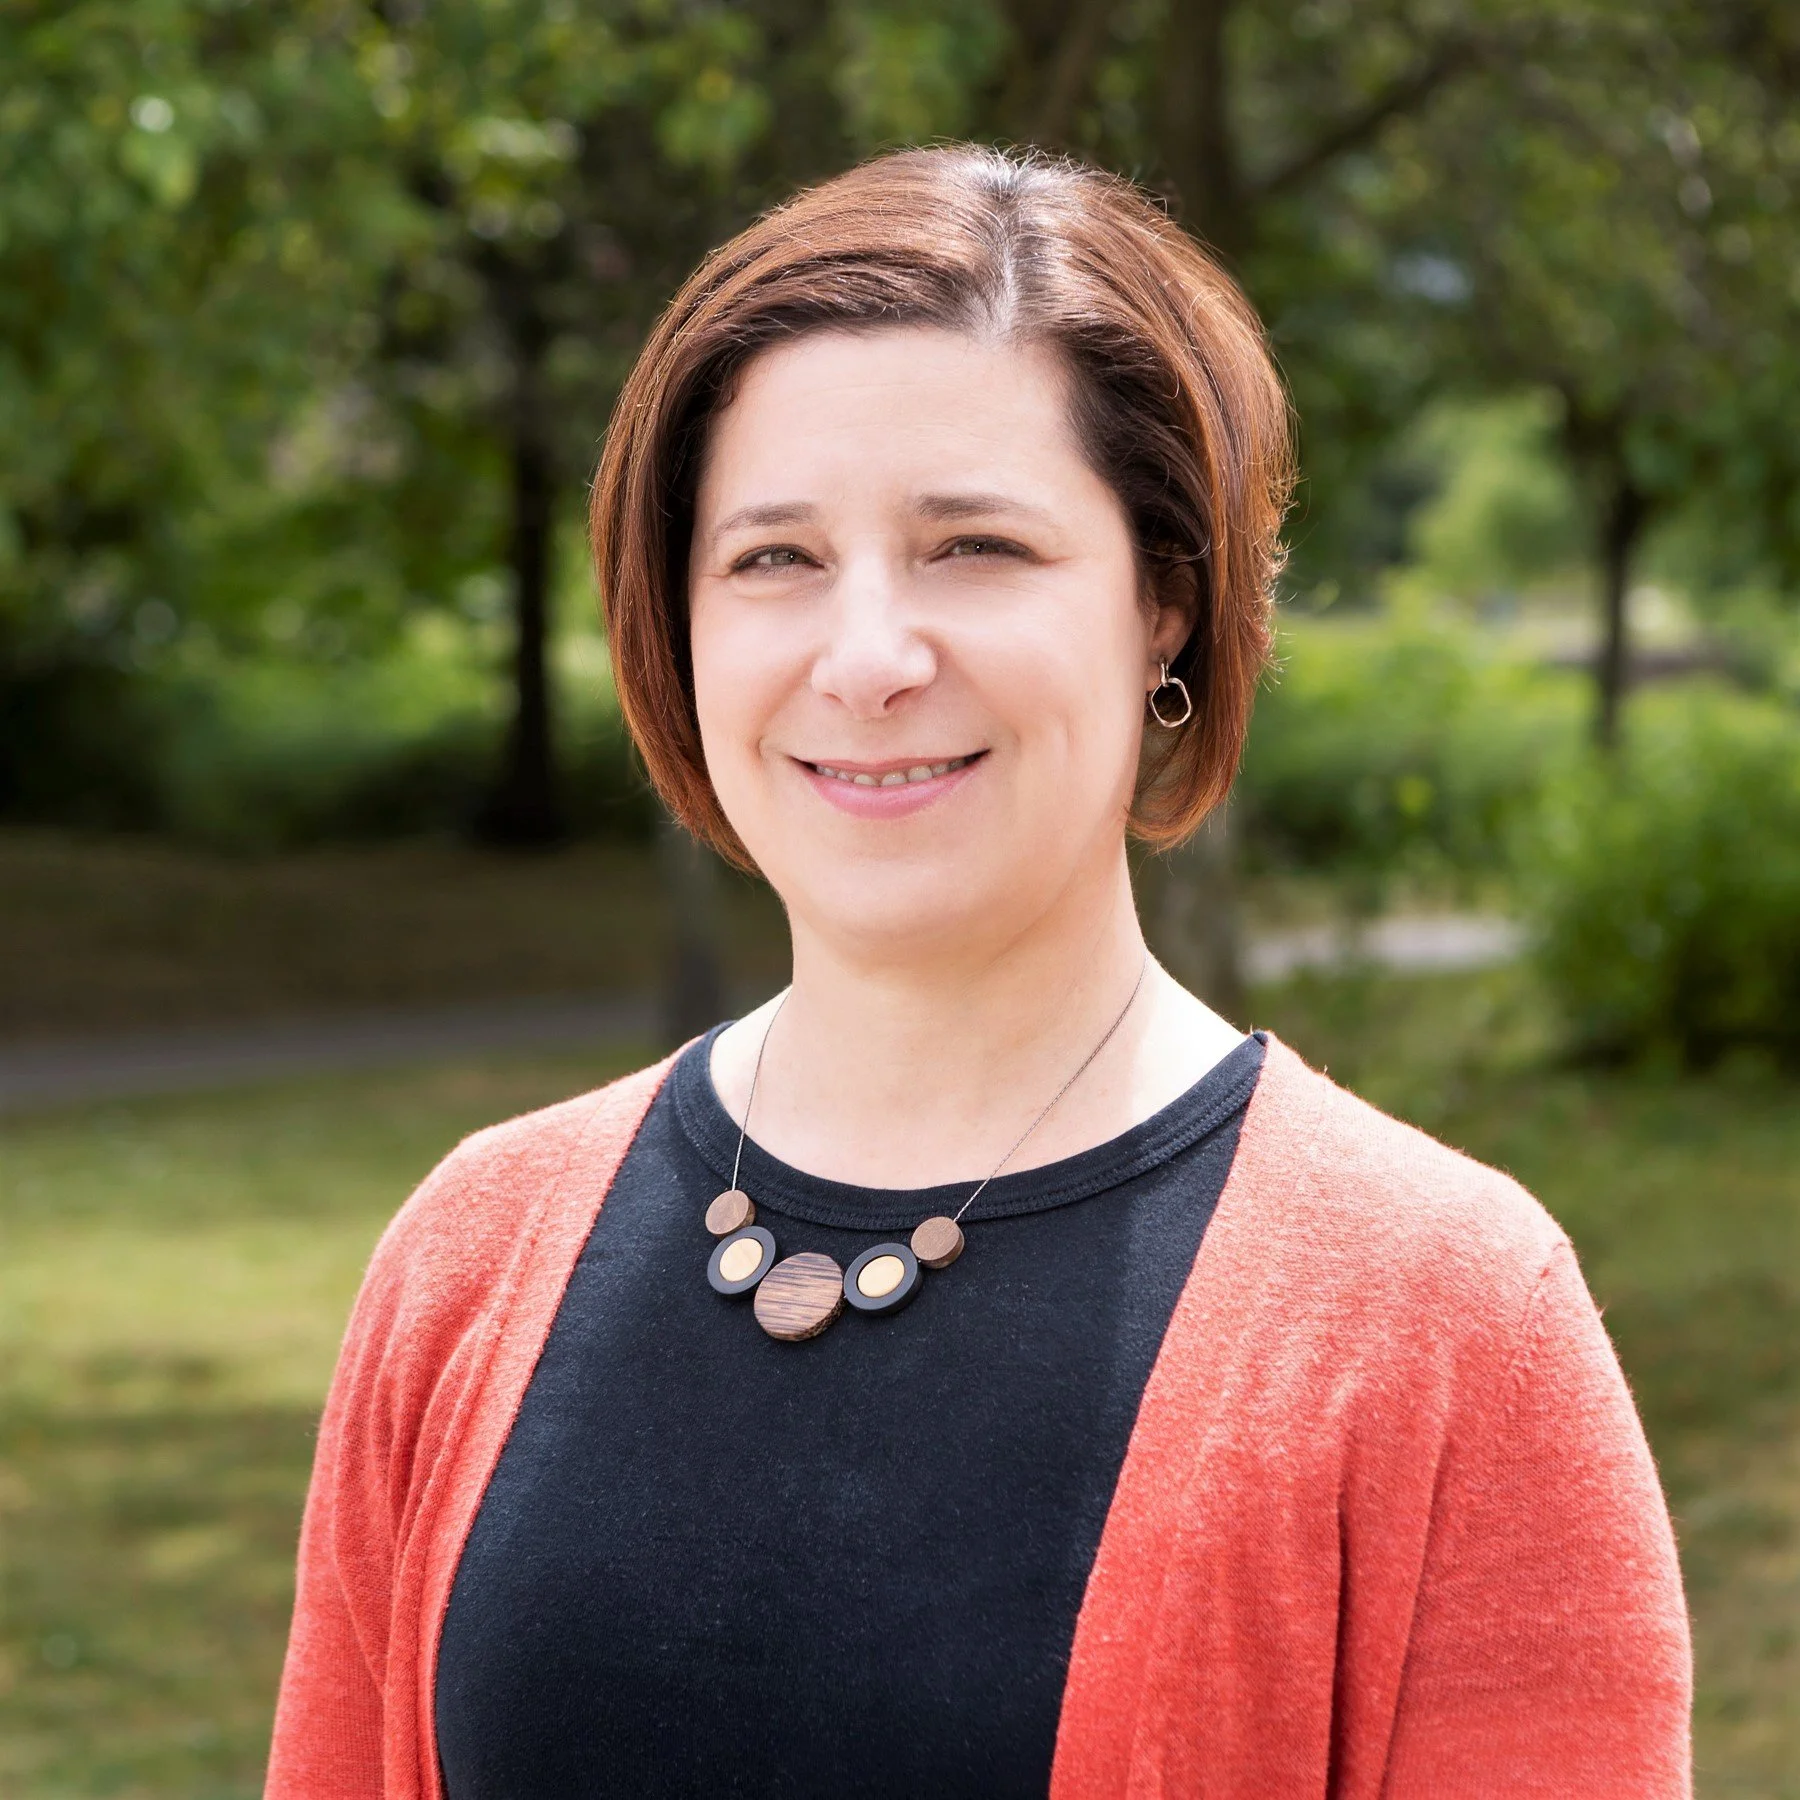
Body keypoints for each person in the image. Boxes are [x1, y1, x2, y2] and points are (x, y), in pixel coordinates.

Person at [266, 145, 1691, 1799]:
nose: (866, 658)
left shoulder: (1445, 1323)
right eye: (774, 559)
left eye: (974, 547)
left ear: (1165, 599)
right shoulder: (467, 1258)